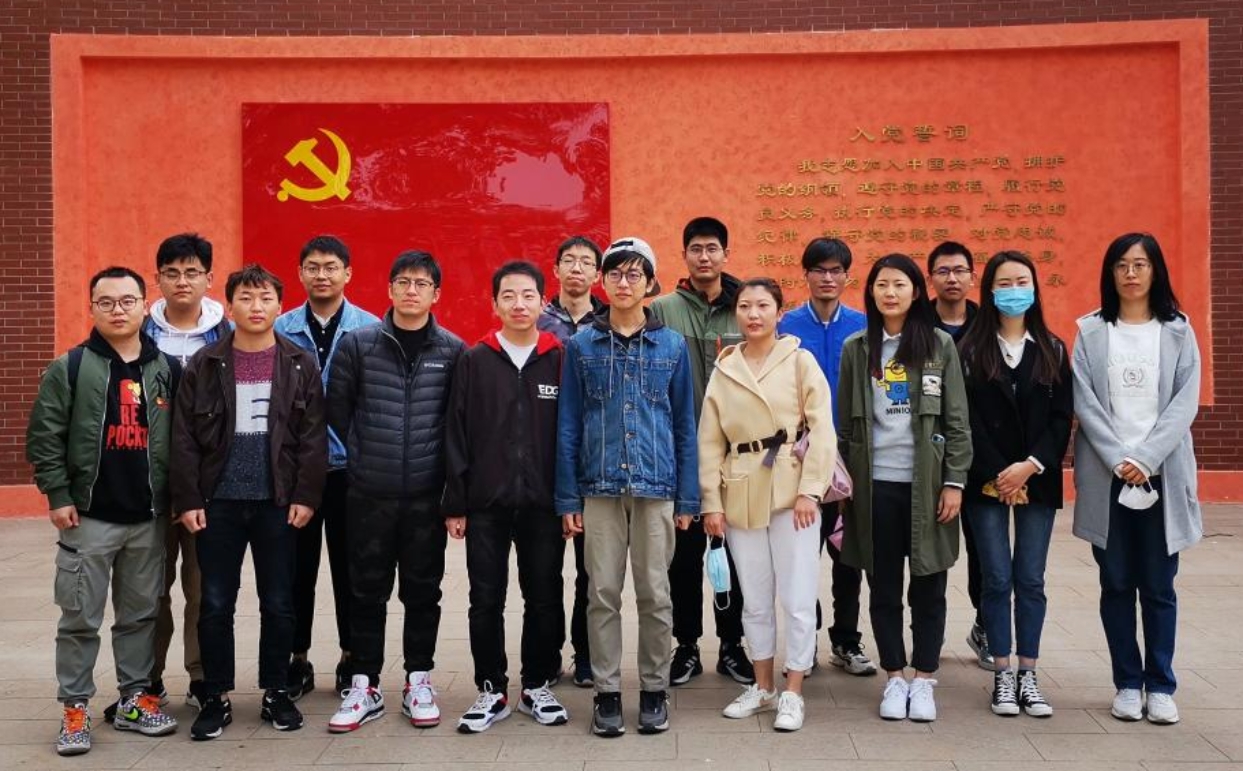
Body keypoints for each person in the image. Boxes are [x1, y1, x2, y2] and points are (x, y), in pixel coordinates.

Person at [28, 267, 180, 755]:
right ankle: (75, 708)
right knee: (79, 618)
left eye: (128, 301)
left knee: (140, 615)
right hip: (89, 516)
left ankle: (134, 698)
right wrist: (58, 495)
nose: (118, 310)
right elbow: (45, 435)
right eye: (107, 302)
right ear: (92, 307)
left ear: (144, 306)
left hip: (147, 518)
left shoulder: (166, 369)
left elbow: (181, 441)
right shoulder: (70, 367)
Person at [173, 265, 328, 740]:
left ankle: (276, 691)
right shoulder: (205, 363)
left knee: (279, 601)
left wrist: (305, 495)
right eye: (245, 298)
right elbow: (184, 437)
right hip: (217, 503)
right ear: (230, 305)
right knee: (215, 602)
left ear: (280, 306)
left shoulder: (299, 363)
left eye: (264, 298)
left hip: (276, 503)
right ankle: (215, 695)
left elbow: (312, 438)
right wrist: (189, 498)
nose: (256, 307)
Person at [556, 236, 699, 737]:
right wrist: (567, 497)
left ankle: (654, 690)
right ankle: (608, 693)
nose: (623, 282)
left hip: (657, 487)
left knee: (656, 593)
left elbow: (685, 425)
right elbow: (569, 424)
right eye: (615, 273)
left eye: (634, 274)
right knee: (602, 593)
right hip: (598, 487)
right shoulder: (581, 346)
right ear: (603, 281)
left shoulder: (672, 346)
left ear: (650, 283)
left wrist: (688, 497)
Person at [326, 250, 466, 732]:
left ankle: (418, 680)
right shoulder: (358, 345)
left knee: (423, 592)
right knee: (366, 591)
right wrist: (364, 454)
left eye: (421, 284)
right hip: (369, 494)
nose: (411, 291)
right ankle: (363, 684)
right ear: (389, 289)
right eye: (403, 282)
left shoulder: (452, 351)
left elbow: (456, 424)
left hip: (426, 496)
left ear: (436, 294)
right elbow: (338, 410)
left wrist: (450, 493)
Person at [1071, 232, 1202, 726]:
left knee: (1160, 585)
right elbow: (1085, 401)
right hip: (1109, 478)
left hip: (1161, 476)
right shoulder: (1091, 332)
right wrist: (1118, 458)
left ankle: (1161, 685)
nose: (1130, 273)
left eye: (1140, 264)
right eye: (1122, 264)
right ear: (1110, 272)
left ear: (1155, 271)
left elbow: (1184, 403)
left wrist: (1146, 458)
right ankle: (1127, 683)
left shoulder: (1178, 331)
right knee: (1116, 582)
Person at [837, 253, 972, 723]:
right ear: (871, 292)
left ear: (916, 291)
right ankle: (895, 676)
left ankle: (924, 678)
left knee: (930, 586)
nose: (890, 293)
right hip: (875, 487)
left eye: (899, 284)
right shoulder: (857, 348)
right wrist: (844, 486)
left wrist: (954, 482)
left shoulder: (938, 345)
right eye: (882, 285)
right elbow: (845, 426)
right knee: (884, 587)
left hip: (927, 487)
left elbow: (957, 420)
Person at [699, 278, 835, 732]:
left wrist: (811, 490)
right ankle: (763, 686)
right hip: (740, 487)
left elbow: (823, 428)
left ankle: (793, 689)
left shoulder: (799, 360)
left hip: (792, 487)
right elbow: (709, 440)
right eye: (745, 306)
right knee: (754, 599)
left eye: (762, 306)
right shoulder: (725, 367)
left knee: (797, 596)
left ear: (780, 311)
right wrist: (711, 502)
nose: (753, 314)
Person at [444, 261, 569, 733]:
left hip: (543, 504)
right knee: (485, 600)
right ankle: (491, 689)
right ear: (494, 303)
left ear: (542, 302)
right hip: (486, 506)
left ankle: (536, 684)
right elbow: (456, 433)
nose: (519, 304)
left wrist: (568, 501)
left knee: (544, 596)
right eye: (509, 296)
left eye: (528, 295)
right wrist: (456, 503)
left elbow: (571, 435)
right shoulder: (475, 360)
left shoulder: (559, 359)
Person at [958, 251, 1072, 718]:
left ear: (1034, 287)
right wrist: (999, 473)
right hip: (986, 480)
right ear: (989, 291)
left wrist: (1030, 465)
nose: (1013, 290)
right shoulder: (969, 350)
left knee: (1030, 579)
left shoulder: (1052, 348)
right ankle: (1002, 673)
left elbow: (1062, 418)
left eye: (1021, 281)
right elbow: (965, 419)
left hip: (1037, 479)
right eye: (1004, 283)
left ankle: (1029, 673)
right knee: (996, 578)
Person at [274, 235, 380, 700]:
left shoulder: (370, 329)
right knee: (295, 570)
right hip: (294, 471)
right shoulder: (279, 328)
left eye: (331, 267)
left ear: (347, 273)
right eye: (313, 267)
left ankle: (351, 657)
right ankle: (296, 658)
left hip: (350, 470)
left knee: (352, 571)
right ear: (301, 273)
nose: (322, 275)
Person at [650, 216, 752, 687]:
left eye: (713, 248)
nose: (705, 256)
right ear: (685, 255)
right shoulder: (663, 310)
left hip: (739, 458)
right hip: (680, 455)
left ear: (726, 254)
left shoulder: (745, 308)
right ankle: (686, 645)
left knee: (735, 555)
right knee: (684, 559)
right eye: (696, 248)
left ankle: (732, 645)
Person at [140, 233, 231, 715]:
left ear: (208, 278)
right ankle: (146, 681)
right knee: (150, 591)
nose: (182, 281)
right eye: (172, 273)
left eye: (192, 272)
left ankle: (201, 678)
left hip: (208, 486)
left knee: (204, 589)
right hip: (149, 485)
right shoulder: (138, 333)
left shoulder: (227, 335)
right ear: (158, 278)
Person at [777, 237, 876, 678]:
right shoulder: (787, 328)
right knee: (800, 557)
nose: (828, 278)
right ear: (806, 275)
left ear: (847, 277)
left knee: (848, 557)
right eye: (820, 270)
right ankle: (805, 644)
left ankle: (846, 641)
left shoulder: (863, 326)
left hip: (849, 462)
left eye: (836, 271)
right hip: (799, 462)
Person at [537, 234, 607, 688]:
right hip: (544, 459)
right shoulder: (536, 320)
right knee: (543, 570)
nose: (577, 268)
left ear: (597, 274)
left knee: (591, 571)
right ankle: (546, 655)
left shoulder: (610, 323)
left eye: (585, 262)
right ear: (556, 269)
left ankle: (585, 653)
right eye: (569, 260)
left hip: (594, 461)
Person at [926, 240, 990, 670]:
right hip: (931, 460)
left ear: (972, 276)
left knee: (985, 551)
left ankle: (985, 626)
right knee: (932, 552)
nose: (952, 278)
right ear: (931, 278)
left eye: (960, 271)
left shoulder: (990, 326)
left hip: (982, 458)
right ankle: (928, 636)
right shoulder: (916, 325)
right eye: (943, 271)